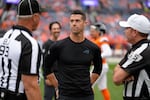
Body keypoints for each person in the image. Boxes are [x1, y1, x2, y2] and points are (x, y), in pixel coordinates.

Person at [44, 10, 102, 100]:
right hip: (65, 95)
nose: (74, 23)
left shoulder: (93, 48)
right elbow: (46, 67)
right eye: (72, 21)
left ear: (85, 23)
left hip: (86, 95)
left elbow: (98, 68)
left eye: (77, 21)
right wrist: (57, 86)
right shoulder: (58, 46)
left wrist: (88, 84)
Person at [0, 0, 42, 100]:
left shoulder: (5, 36)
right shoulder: (29, 43)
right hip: (15, 96)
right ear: (35, 17)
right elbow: (30, 86)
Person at [113, 14, 150, 100]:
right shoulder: (136, 48)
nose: (124, 31)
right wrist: (126, 74)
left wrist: (123, 75)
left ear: (134, 32)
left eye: (127, 28)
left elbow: (116, 78)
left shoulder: (141, 51)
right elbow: (117, 69)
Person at [90, 22, 112, 100]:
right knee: (103, 87)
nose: (91, 32)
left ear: (99, 32)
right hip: (101, 66)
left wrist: (96, 58)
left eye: (93, 30)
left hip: (99, 66)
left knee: (88, 86)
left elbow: (108, 52)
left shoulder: (102, 39)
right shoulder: (95, 40)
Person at [43, 21, 61, 100]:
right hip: (50, 76)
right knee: (48, 98)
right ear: (50, 30)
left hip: (60, 78)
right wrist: (46, 77)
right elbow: (44, 62)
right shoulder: (47, 44)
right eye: (54, 29)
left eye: (58, 28)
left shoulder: (61, 44)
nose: (56, 30)